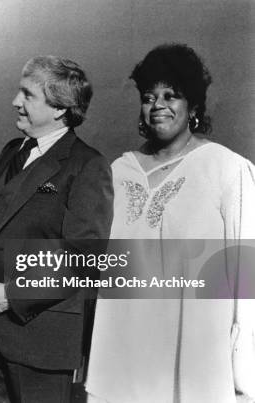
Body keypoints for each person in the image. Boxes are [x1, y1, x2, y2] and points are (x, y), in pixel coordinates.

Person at [86, 44, 255, 403]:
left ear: (193, 106)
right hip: (125, 351)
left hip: (194, 355)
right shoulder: (119, 171)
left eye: (171, 96)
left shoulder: (226, 169)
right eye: (149, 97)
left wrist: (244, 370)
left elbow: (247, 275)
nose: (158, 105)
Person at [0, 55, 113, 403]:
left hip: (41, 339)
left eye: (27, 94)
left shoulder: (88, 165)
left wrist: (10, 295)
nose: (15, 102)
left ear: (59, 108)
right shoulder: (13, 150)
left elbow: (84, 259)